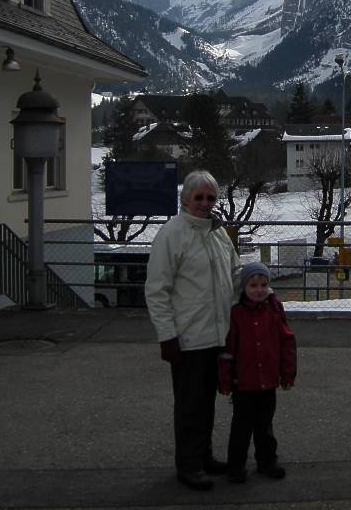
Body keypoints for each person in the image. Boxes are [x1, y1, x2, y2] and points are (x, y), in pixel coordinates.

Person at [145, 170, 239, 491]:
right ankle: (188, 465)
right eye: (199, 197)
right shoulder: (172, 234)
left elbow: (234, 273)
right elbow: (157, 290)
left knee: (207, 402)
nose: (205, 203)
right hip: (188, 337)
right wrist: (167, 336)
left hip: (217, 334)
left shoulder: (218, 233)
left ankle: (203, 457)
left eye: (210, 197)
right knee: (190, 405)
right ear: (185, 199)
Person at [218, 262, 296, 484]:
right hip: (243, 382)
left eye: (263, 285)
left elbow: (286, 342)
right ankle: (236, 466)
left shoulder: (274, 310)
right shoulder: (236, 314)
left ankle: (267, 461)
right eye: (253, 285)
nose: (259, 290)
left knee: (265, 426)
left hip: (268, 381)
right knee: (241, 428)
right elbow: (228, 350)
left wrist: (287, 374)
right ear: (244, 287)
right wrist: (225, 380)